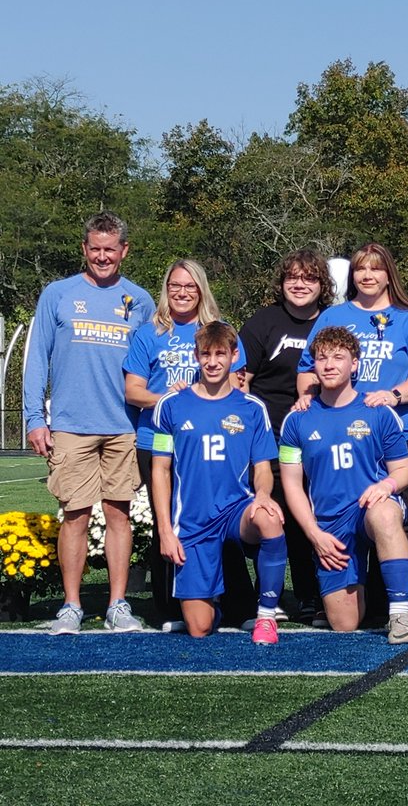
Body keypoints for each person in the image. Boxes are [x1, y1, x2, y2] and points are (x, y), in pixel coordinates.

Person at [23, 212, 154, 635]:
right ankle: (71, 606)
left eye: (110, 249)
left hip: (124, 425)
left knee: (119, 515)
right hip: (70, 424)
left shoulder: (142, 300)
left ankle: (118, 604)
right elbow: (36, 358)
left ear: (124, 251)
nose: (102, 256)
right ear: (85, 249)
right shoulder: (57, 294)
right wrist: (33, 419)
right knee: (75, 516)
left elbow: (154, 363)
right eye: (94, 248)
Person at [295, 243, 408, 623]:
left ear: (388, 273)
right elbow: (308, 368)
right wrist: (308, 401)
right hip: (342, 432)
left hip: (406, 430)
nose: (367, 276)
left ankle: (402, 603)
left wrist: (392, 395)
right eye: (361, 269)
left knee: (398, 518)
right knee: (342, 509)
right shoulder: (335, 315)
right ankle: (352, 596)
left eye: (376, 269)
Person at [124, 258, 250, 628]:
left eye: (190, 286)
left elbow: (240, 385)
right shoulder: (149, 334)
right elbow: (133, 390)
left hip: (213, 441)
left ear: (201, 290)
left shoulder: (221, 330)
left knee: (222, 517)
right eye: (175, 285)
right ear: (166, 289)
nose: (182, 292)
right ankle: (170, 607)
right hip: (159, 441)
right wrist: (169, 399)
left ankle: (238, 603)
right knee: (168, 521)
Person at [151, 322, 287, 643]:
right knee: (199, 629)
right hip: (192, 522)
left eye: (220, 354)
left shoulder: (252, 409)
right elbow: (160, 471)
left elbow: (263, 467)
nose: (212, 362)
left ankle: (266, 616)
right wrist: (165, 530)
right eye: (205, 355)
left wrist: (263, 495)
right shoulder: (171, 405)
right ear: (195, 356)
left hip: (235, 513)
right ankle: (217, 601)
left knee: (269, 518)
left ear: (234, 356)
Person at [280, 326, 408, 644]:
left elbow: (403, 471)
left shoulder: (378, 412)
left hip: (368, 509)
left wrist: (386, 486)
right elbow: (292, 485)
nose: (329, 364)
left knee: (383, 513)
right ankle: (360, 581)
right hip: (330, 524)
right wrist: (315, 536)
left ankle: (400, 613)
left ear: (354, 364)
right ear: (313, 364)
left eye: (338, 357)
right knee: (344, 623)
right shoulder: (296, 419)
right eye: (322, 358)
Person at [240, 249, 335, 624]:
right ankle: (271, 594)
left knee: (314, 515)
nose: (300, 284)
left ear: (322, 285)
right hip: (272, 436)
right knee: (277, 516)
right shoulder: (263, 323)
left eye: (309, 278)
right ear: (281, 283)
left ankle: (313, 596)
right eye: (292, 277)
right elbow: (241, 381)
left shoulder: (331, 322)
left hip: (321, 435)